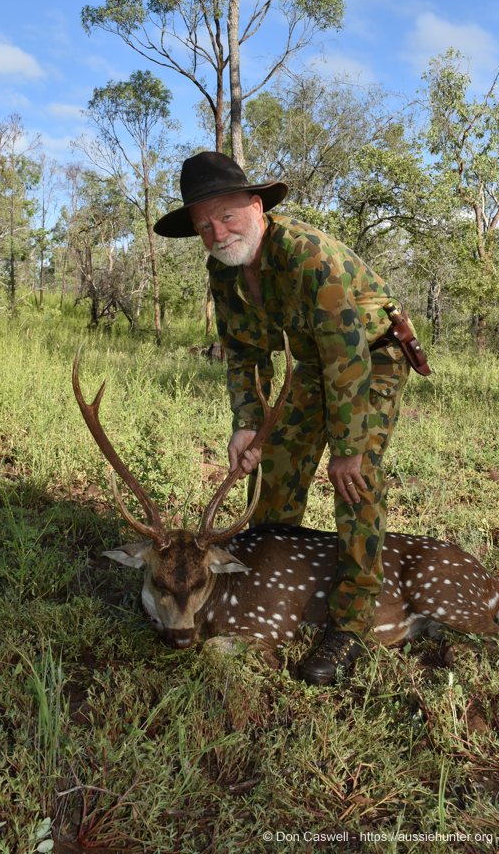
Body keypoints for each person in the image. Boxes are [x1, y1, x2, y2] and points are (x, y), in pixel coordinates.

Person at [154, 151, 413, 685]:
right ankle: (270, 579)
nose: (218, 232)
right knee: (276, 468)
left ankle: (351, 623)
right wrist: (247, 423)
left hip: (371, 358)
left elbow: (347, 359)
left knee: (355, 481)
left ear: (256, 206)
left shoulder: (307, 256)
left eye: (227, 216)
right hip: (310, 366)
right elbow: (244, 355)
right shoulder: (223, 273)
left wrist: (347, 448)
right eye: (204, 225)